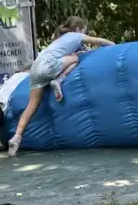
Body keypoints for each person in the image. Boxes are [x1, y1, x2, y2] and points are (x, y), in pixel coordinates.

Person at [8, 17, 115, 156]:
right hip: (49, 67)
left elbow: (64, 54)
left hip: (35, 69)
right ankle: (58, 80)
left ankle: (16, 137)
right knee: (77, 59)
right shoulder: (76, 35)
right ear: (78, 29)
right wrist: (113, 45)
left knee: (31, 106)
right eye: (84, 31)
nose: (84, 33)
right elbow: (99, 41)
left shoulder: (58, 41)